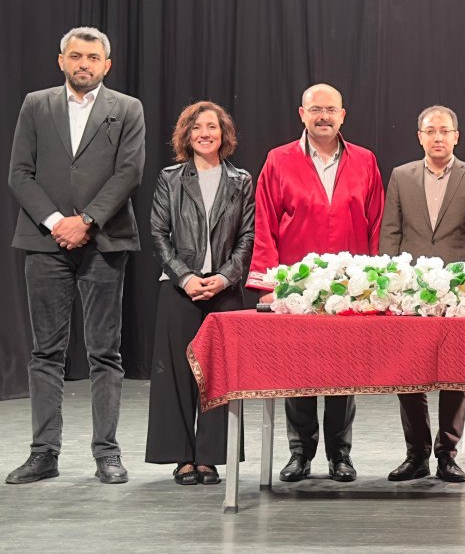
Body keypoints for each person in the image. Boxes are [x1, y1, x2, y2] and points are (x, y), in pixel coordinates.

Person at [6, 27, 145, 485]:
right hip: (45, 243)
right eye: (76, 56)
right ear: (61, 60)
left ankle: (107, 453)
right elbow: (20, 173)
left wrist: (85, 221)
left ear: (107, 65)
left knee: (105, 351)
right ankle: (43, 453)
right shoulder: (36, 104)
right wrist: (56, 222)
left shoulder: (127, 108)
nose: (84, 63)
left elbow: (129, 172)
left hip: (104, 241)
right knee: (46, 352)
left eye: (93, 57)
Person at [247, 83, 384, 483]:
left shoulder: (365, 161)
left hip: (350, 287)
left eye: (331, 109)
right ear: (301, 114)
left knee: (344, 371)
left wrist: (377, 283)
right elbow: (264, 223)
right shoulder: (278, 160)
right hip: (296, 285)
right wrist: (269, 283)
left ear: (343, 115)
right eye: (315, 109)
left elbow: (377, 224)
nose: (323, 116)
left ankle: (340, 454)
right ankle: (300, 453)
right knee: (298, 369)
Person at [381, 105, 465, 483]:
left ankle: (447, 453)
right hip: (408, 293)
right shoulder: (401, 176)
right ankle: (416, 453)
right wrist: (388, 283)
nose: (438, 137)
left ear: (456, 136)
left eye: (445, 131)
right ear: (420, 137)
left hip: (458, 293)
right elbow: (391, 233)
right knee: (408, 372)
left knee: (455, 373)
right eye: (430, 131)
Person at [145, 102, 254, 485]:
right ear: (186, 135)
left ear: (224, 134)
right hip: (180, 288)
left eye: (212, 127)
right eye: (197, 127)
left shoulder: (241, 180)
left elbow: (248, 236)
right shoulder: (170, 178)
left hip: (224, 290)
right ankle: (182, 457)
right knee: (176, 372)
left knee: (219, 374)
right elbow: (159, 233)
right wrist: (184, 276)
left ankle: (210, 457)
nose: (204, 133)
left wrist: (224, 277)